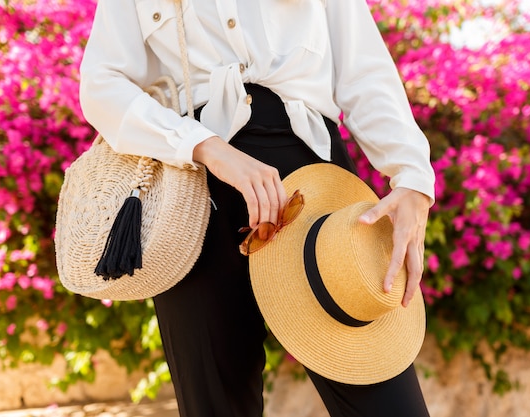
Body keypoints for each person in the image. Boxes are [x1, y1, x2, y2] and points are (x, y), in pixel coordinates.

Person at [79, 0, 435, 415]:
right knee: (216, 406)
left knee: (389, 403)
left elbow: (364, 69)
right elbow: (102, 84)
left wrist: (412, 178)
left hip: (313, 187)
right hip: (193, 193)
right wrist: (204, 147)